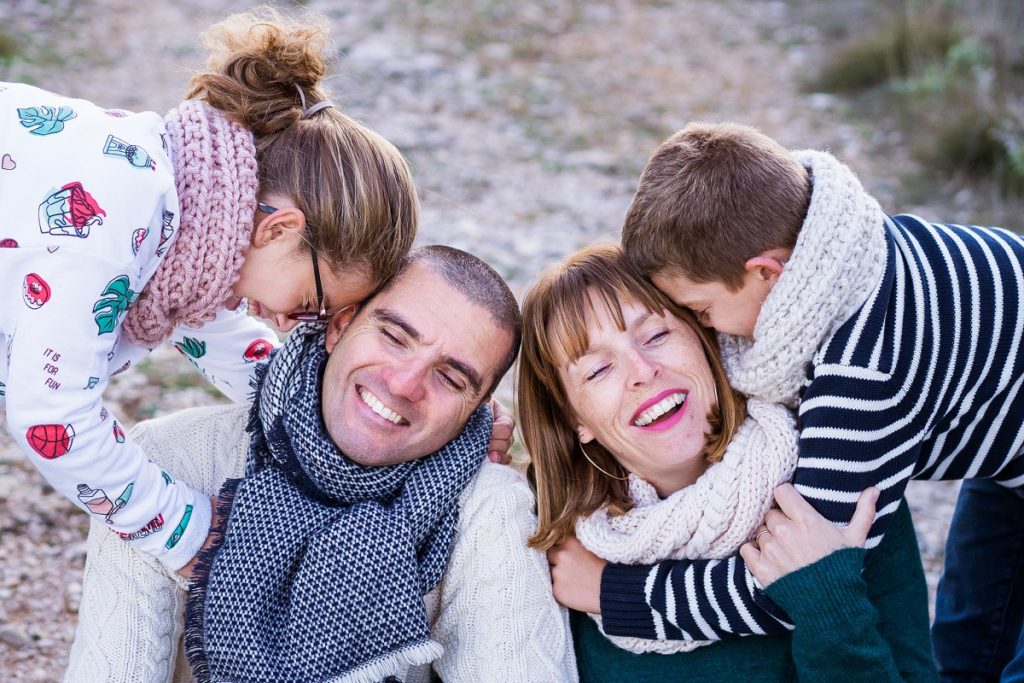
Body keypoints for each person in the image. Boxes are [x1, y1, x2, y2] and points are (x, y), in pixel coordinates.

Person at [577, 121, 1024, 680]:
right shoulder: (841, 237)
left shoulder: (865, 376)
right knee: (972, 635)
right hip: (1011, 441)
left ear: (768, 271)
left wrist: (609, 591)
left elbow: (792, 586)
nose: (706, 331)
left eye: (702, 310)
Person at [0, 8, 420, 578]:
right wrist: (189, 531)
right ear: (279, 230)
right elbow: (53, 414)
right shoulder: (112, 211)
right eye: (312, 303)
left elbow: (224, 341)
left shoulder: (186, 215)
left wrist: (380, 416)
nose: (294, 321)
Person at [65, 246, 578, 683]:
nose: (403, 384)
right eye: (395, 337)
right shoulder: (168, 459)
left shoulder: (487, 505)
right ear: (340, 326)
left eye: (451, 379)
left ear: (478, 410)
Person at [518, 244, 936, 681]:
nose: (641, 370)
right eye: (598, 370)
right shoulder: (559, 550)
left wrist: (825, 596)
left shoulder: (837, 482)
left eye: (656, 336)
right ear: (573, 420)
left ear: (706, 339)